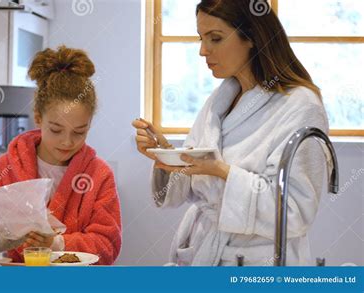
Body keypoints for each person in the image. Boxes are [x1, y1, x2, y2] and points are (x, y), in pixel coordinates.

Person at [132, 0, 329, 266]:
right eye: (201, 39)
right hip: (204, 249)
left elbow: (295, 213)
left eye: (215, 38)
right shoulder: (221, 99)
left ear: (252, 37)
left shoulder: (300, 106)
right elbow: (191, 184)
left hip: (258, 262)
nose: (203, 51)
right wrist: (167, 155)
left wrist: (221, 171)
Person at [0, 45, 122, 265]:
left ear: (89, 125)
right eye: (56, 130)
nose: (67, 141)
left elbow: (108, 245)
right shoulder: (6, 168)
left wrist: (56, 244)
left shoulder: (99, 175)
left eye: (79, 132)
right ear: (38, 118)